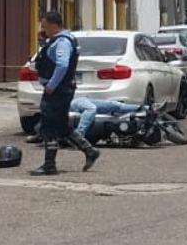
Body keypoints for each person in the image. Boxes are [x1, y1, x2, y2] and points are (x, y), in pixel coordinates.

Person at [31, 11, 99, 175]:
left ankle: (49, 165)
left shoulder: (62, 42)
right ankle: (89, 151)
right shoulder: (59, 39)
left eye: (45, 26)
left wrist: (52, 85)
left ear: (54, 25)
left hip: (57, 91)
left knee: (49, 126)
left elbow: (62, 65)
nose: (43, 29)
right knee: (61, 125)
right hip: (62, 90)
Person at [71, 95, 142, 140]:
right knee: (91, 108)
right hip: (75, 102)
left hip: (82, 100)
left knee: (116, 105)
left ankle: (142, 108)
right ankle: (79, 135)